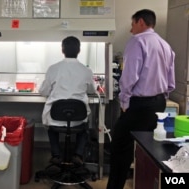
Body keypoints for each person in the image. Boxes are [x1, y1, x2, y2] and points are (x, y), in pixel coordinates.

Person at [106, 9, 175, 189]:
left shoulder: (137, 42)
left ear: (141, 22)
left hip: (139, 104)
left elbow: (129, 76)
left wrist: (124, 101)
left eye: (132, 24)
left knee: (120, 148)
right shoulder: (165, 44)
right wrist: (160, 97)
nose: (131, 29)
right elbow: (170, 81)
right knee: (149, 149)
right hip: (159, 102)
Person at [39, 36, 97, 165]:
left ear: (62, 50)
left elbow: (44, 91)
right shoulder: (86, 70)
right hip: (78, 118)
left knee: (51, 127)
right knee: (84, 127)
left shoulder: (53, 69)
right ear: (79, 50)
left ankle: (56, 155)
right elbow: (92, 91)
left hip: (56, 117)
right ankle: (78, 154)